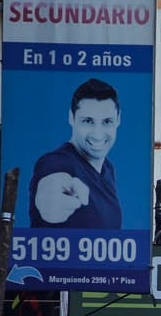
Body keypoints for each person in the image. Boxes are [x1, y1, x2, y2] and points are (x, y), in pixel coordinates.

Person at [30, 78, 123, 229]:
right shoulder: (57, 162)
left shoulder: (107, 168)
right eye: (88, 121)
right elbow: (51, 182)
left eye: (107, 121)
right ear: (71, 118)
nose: (97, 134)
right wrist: (50, 197)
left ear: (118, 119)